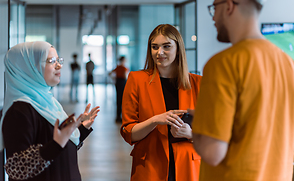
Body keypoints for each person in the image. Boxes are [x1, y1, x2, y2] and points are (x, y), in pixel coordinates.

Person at [191, 0, 294, 181]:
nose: (213, 17)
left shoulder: (222, 64)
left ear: (229, 6)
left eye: (214, 8)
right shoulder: (289, 64)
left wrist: (199, 124)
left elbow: (212, 153)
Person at [0, 41, 100, 181]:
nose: (59, 65)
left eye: (58, 60)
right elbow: (17, 168)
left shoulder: (49, 102)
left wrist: (81, 129)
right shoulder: (19, 111)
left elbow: (58, 153)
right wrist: (56, 145)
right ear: (29, 67)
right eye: (50, 61)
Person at [120, 24, 202, 181]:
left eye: (166, 46)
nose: (160, 52)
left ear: (178, 48)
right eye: (154, 47)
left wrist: (190, 134)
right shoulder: (137, 80)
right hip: (150, 166)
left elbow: (214, 134)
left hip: (189, 167)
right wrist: (155, 120)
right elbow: (128, 133)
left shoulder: (198, 84)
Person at [109, 56, 129, 123]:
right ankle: (123, 116)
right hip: (123, 82)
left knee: (118, 99)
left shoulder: (118, 67)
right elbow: (125, 76)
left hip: (118, 82)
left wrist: (113, 79)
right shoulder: (124, 68)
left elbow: (110, 73)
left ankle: (118, 116)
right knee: (123, 100)